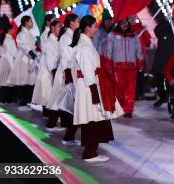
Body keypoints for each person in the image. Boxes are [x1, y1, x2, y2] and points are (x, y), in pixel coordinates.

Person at [72, 15, 123, 162]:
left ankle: (91, 150)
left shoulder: (86, 44)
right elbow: (87, 70)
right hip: (89, 86)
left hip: (90, 84)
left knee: (92, 118)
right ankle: (90, 153)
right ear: (88, 28)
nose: (96, 29)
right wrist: (94, 91)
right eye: (95, 26)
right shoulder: (84, 46)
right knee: (90, 119)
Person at [45, 13, 80, 142]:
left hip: (70, 72)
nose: (79, 23)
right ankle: (61, 129)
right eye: (77, 21)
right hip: (66, 72)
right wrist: (68, 75)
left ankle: (64, 128)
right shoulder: (66, 37)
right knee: (62, 100)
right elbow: (65, 57)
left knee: (63, 101)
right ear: (71, 23)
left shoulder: (71, 36)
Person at [104, 18, 143, 118]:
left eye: (126, 23)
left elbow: (139, 50)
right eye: (122, 23)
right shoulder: (112, 36)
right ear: (119, 24)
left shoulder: (134, 36)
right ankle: (120, 107)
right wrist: (108, 65)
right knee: (119, 89)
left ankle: (128, 110)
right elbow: (108, 51)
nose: (124, 25)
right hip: (118, 66)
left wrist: (140, 62)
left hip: (131, 66)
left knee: (131, 89)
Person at [31, 18, 61, 116]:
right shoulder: (50, 39)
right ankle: (50, 117)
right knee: (48, 93)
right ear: (52, 27)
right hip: (49, 70)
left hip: (49, 68)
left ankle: (49, 115)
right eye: (59, 27)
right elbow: (50, 59)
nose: (61, 29)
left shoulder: (54, 39)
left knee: (47, 93)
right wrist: (54, 70)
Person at [152, 15, 174, 108]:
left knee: (171, 82)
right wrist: (164, 21)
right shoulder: (164, 31)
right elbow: (156, 31)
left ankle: (172, 98)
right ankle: (163, 98)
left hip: (172, 64)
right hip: (161, 62)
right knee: (159, 82)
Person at [11, 16, 38, 110]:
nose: (32, 23)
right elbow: (23, 45)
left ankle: (26, 102)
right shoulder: (22, 34)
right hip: (23, 60)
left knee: (28, 82)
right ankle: (22, 103)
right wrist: (31, 53)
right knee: (23, 81)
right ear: (26, 23)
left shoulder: (29, 33)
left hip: (29, 60)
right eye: (31, 21)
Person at [0, 21, 16, 103]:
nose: (14, 31)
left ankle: (3, 99)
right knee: (8, 82)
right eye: (13, 29)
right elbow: (14, 53)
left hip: (3, 62)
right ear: (10, 30)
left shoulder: (3, 39)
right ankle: (7, 100)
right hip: (9, 62)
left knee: (3, 81)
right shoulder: (9, 40)